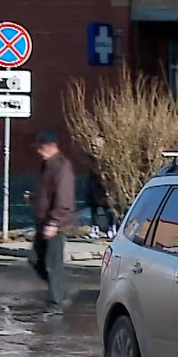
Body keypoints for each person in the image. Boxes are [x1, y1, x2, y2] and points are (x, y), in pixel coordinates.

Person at [29, 130, 76, 318]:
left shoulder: (62, 167)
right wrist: (34, 198)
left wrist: (54, 222)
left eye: (41, 147)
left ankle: (54, 304)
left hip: (55, 224)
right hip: (43, 223)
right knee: (34, 259)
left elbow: (64, 200)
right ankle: (63, 289)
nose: (38, 151)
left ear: (52, 146)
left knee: (53, 265)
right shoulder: (47, 165)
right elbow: (47, 193)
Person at [84, 136, 116, 240]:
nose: (94, 148)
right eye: (93, 145)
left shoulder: (107, 159)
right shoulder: (91, 158)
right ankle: (95, 229)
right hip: (94, 187)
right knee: (94, 209)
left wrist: (108, 188)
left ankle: (112, 228)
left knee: (108, 209)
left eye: (96, 145)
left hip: (104, 186)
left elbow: (110, 175)